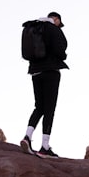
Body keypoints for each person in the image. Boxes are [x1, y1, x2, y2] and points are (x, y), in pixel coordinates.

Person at [20, 11, 68, 158]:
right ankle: (44, 146)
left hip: (35, 72)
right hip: (51, 72)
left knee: (39, 106)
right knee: (49, 108)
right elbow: (61, 51)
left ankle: (27, 137)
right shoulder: (54, 29)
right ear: (56, 19)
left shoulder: (34, 28)